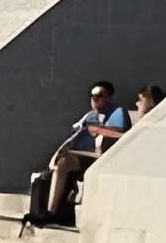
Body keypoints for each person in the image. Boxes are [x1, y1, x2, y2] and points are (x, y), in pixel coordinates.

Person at [45, 81, 127, 221]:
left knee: (65, 163)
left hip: (99, 157)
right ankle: (51, 211)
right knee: (61, 163)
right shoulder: (90, 116)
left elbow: (121, 134)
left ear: (109, 97)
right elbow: (74, 134)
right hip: (80, 155)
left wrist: (97, 130)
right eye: (92, 96)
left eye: (99, 95)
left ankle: (53, 212)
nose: (94, 99)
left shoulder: (117, 112)